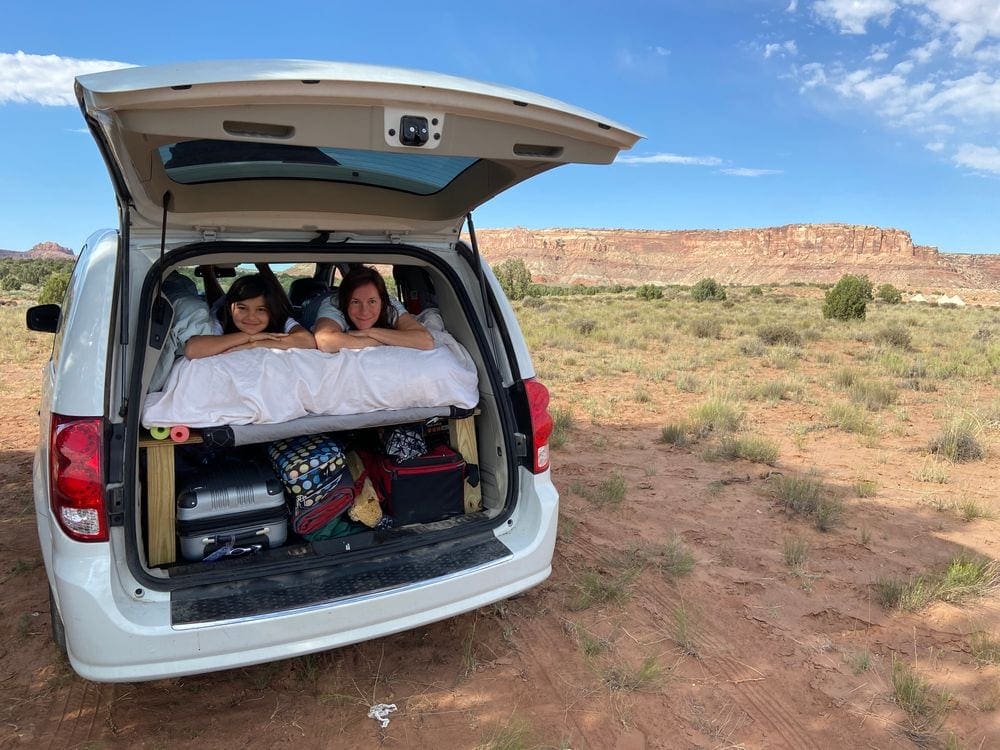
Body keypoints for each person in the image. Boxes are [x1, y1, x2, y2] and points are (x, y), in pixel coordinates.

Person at [184, 274, 315, 359]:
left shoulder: (280, 318)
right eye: (242, 308)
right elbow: (193, 349)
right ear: (230, 309)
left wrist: (256, 344)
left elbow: (307, 341)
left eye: (261, 309)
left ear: (272, 311)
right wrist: (249, 337)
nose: (251, 317)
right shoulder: (221, 319)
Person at [313, 265, 433, 353]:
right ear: (345, 301)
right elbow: (324, 340)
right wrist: (387, 340)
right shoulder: (334, 303)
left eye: (372, 301)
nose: (364, 311)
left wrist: (369, 332)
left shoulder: (389, 304)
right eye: (355, 302)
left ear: (382, 301)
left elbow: (425, 340)